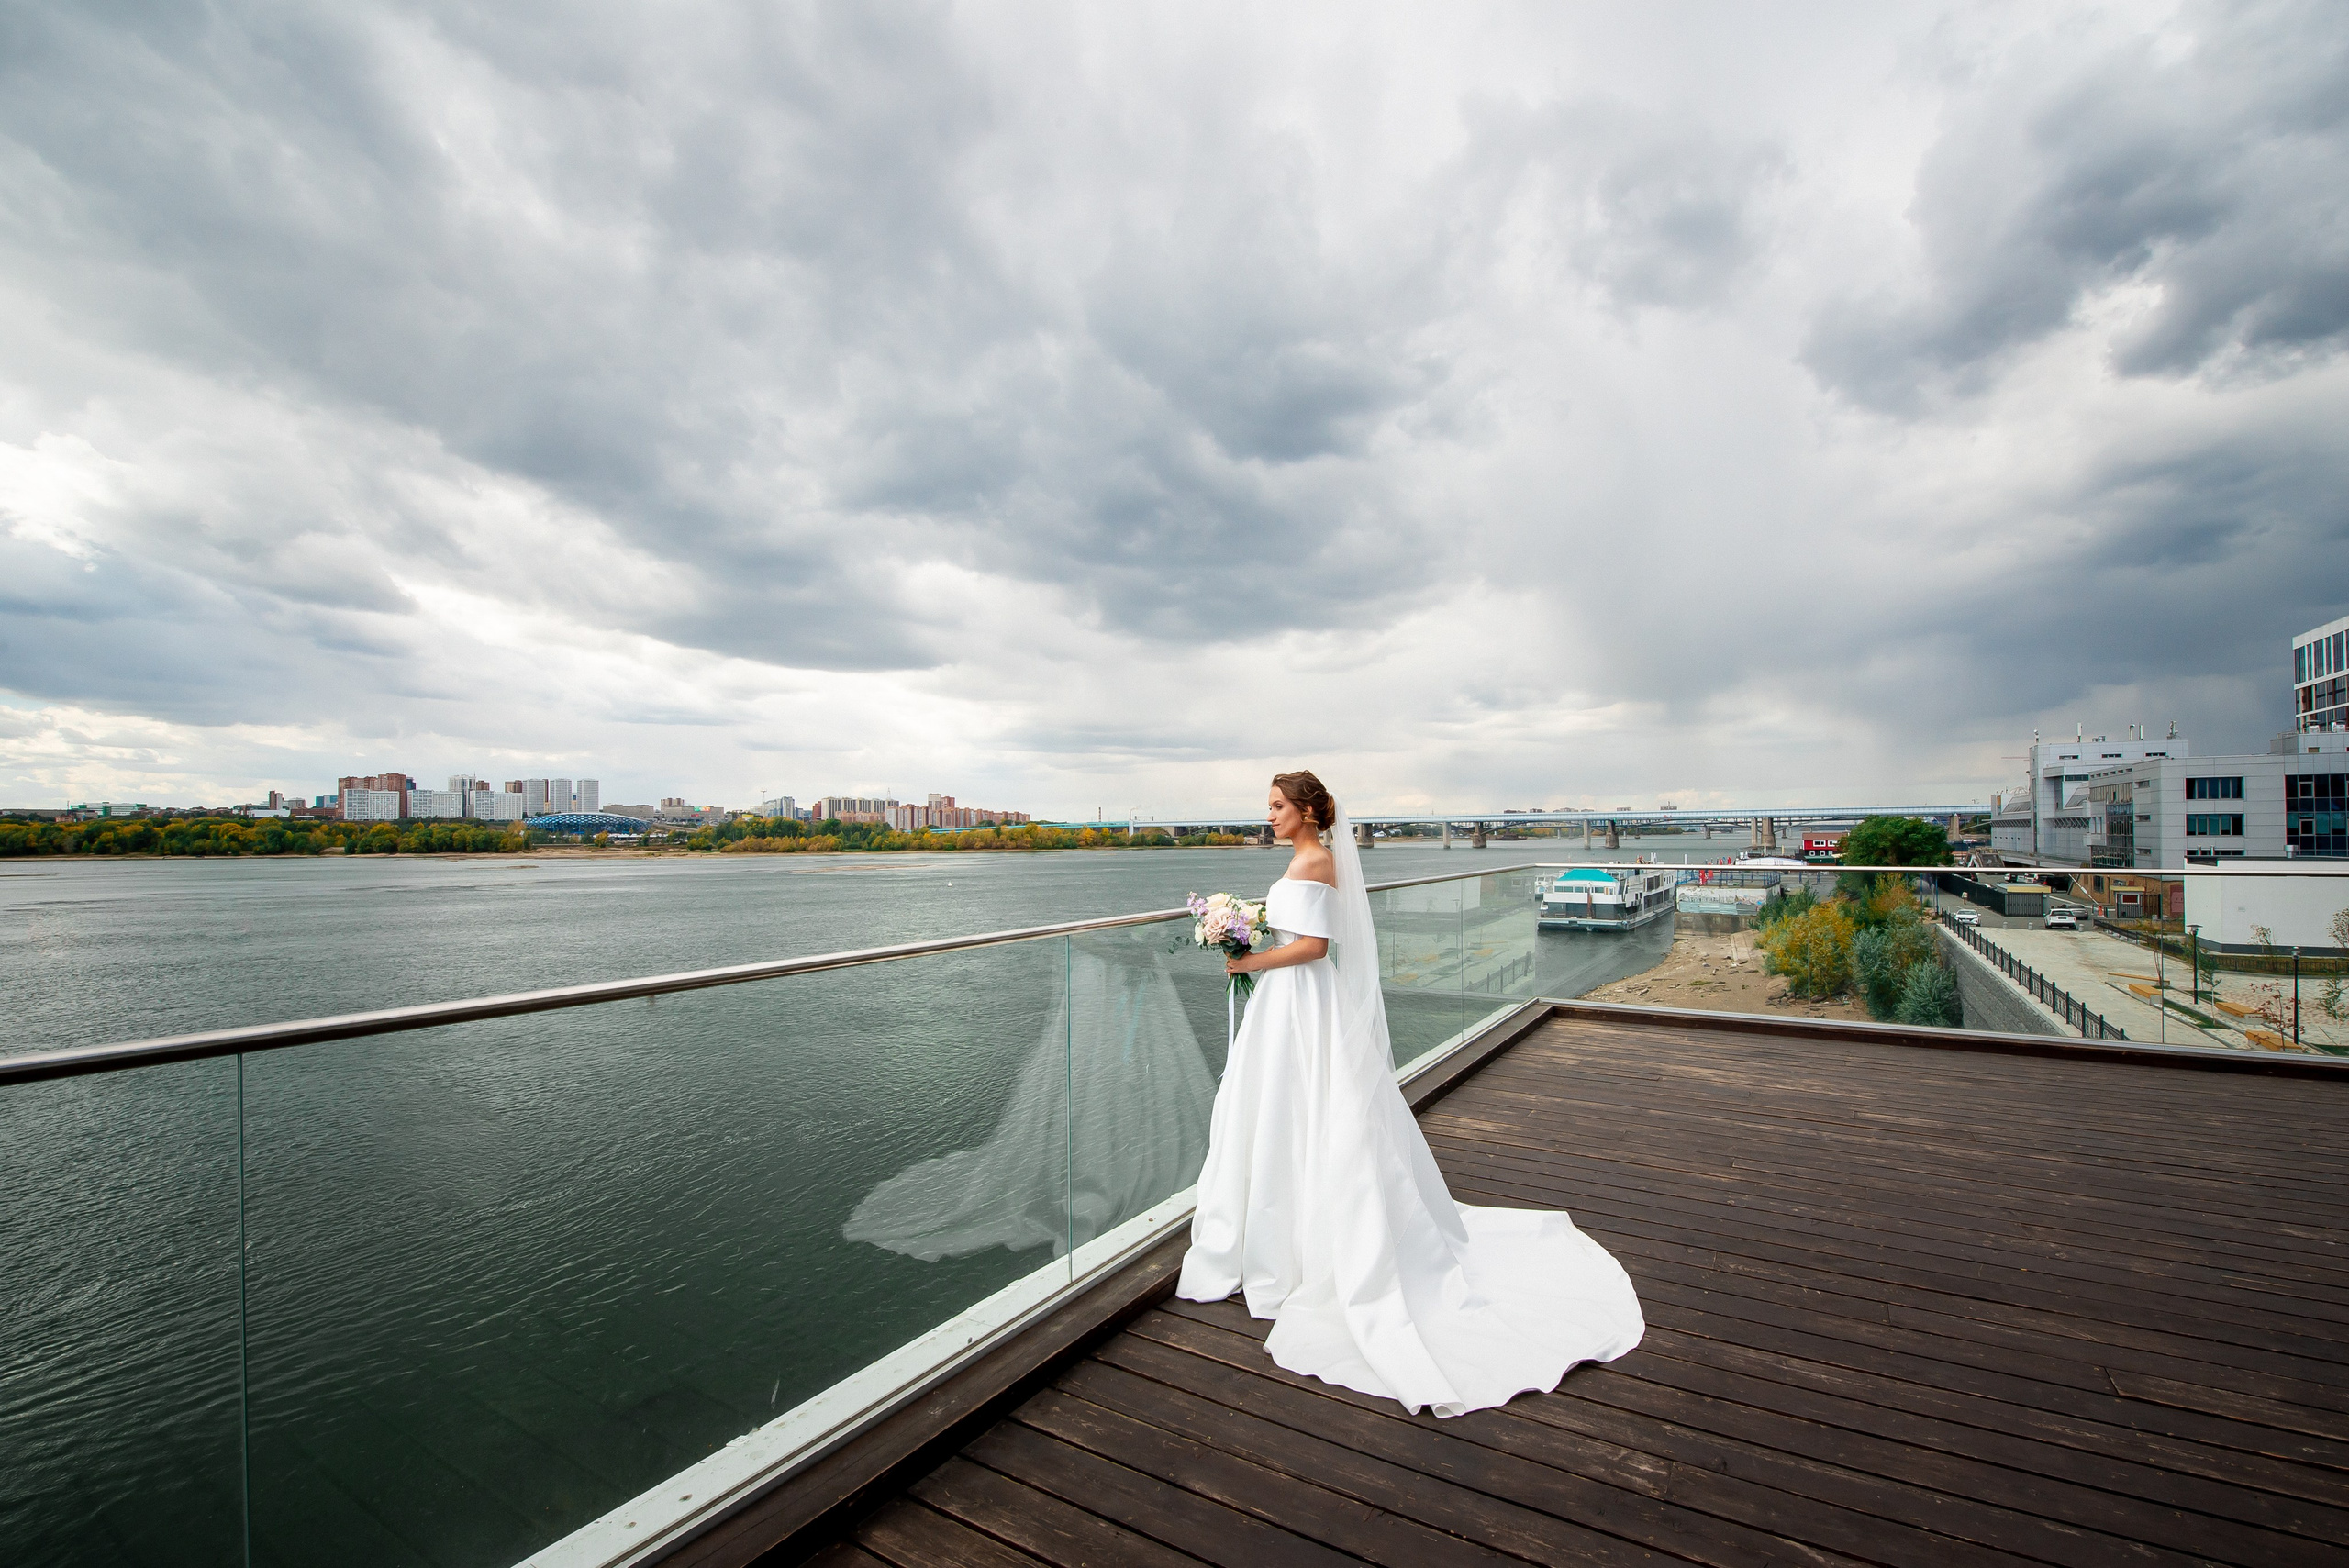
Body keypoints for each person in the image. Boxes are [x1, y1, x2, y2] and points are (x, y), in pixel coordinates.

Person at [1176, 769, 1644, 1418]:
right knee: (1281, 1111)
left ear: (1309, 811)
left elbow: (1314, 947)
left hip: (1300, 1000)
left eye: (1279, 806)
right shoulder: (1301, 859)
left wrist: (1249, 958)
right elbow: (1293, 933)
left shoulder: (1315, 862)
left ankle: (1297, 1247)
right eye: (1270, 807)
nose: (1270, 816)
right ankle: (1272, 1234)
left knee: (1309, 1110)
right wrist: (1246, 929)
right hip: (1284, 1007)